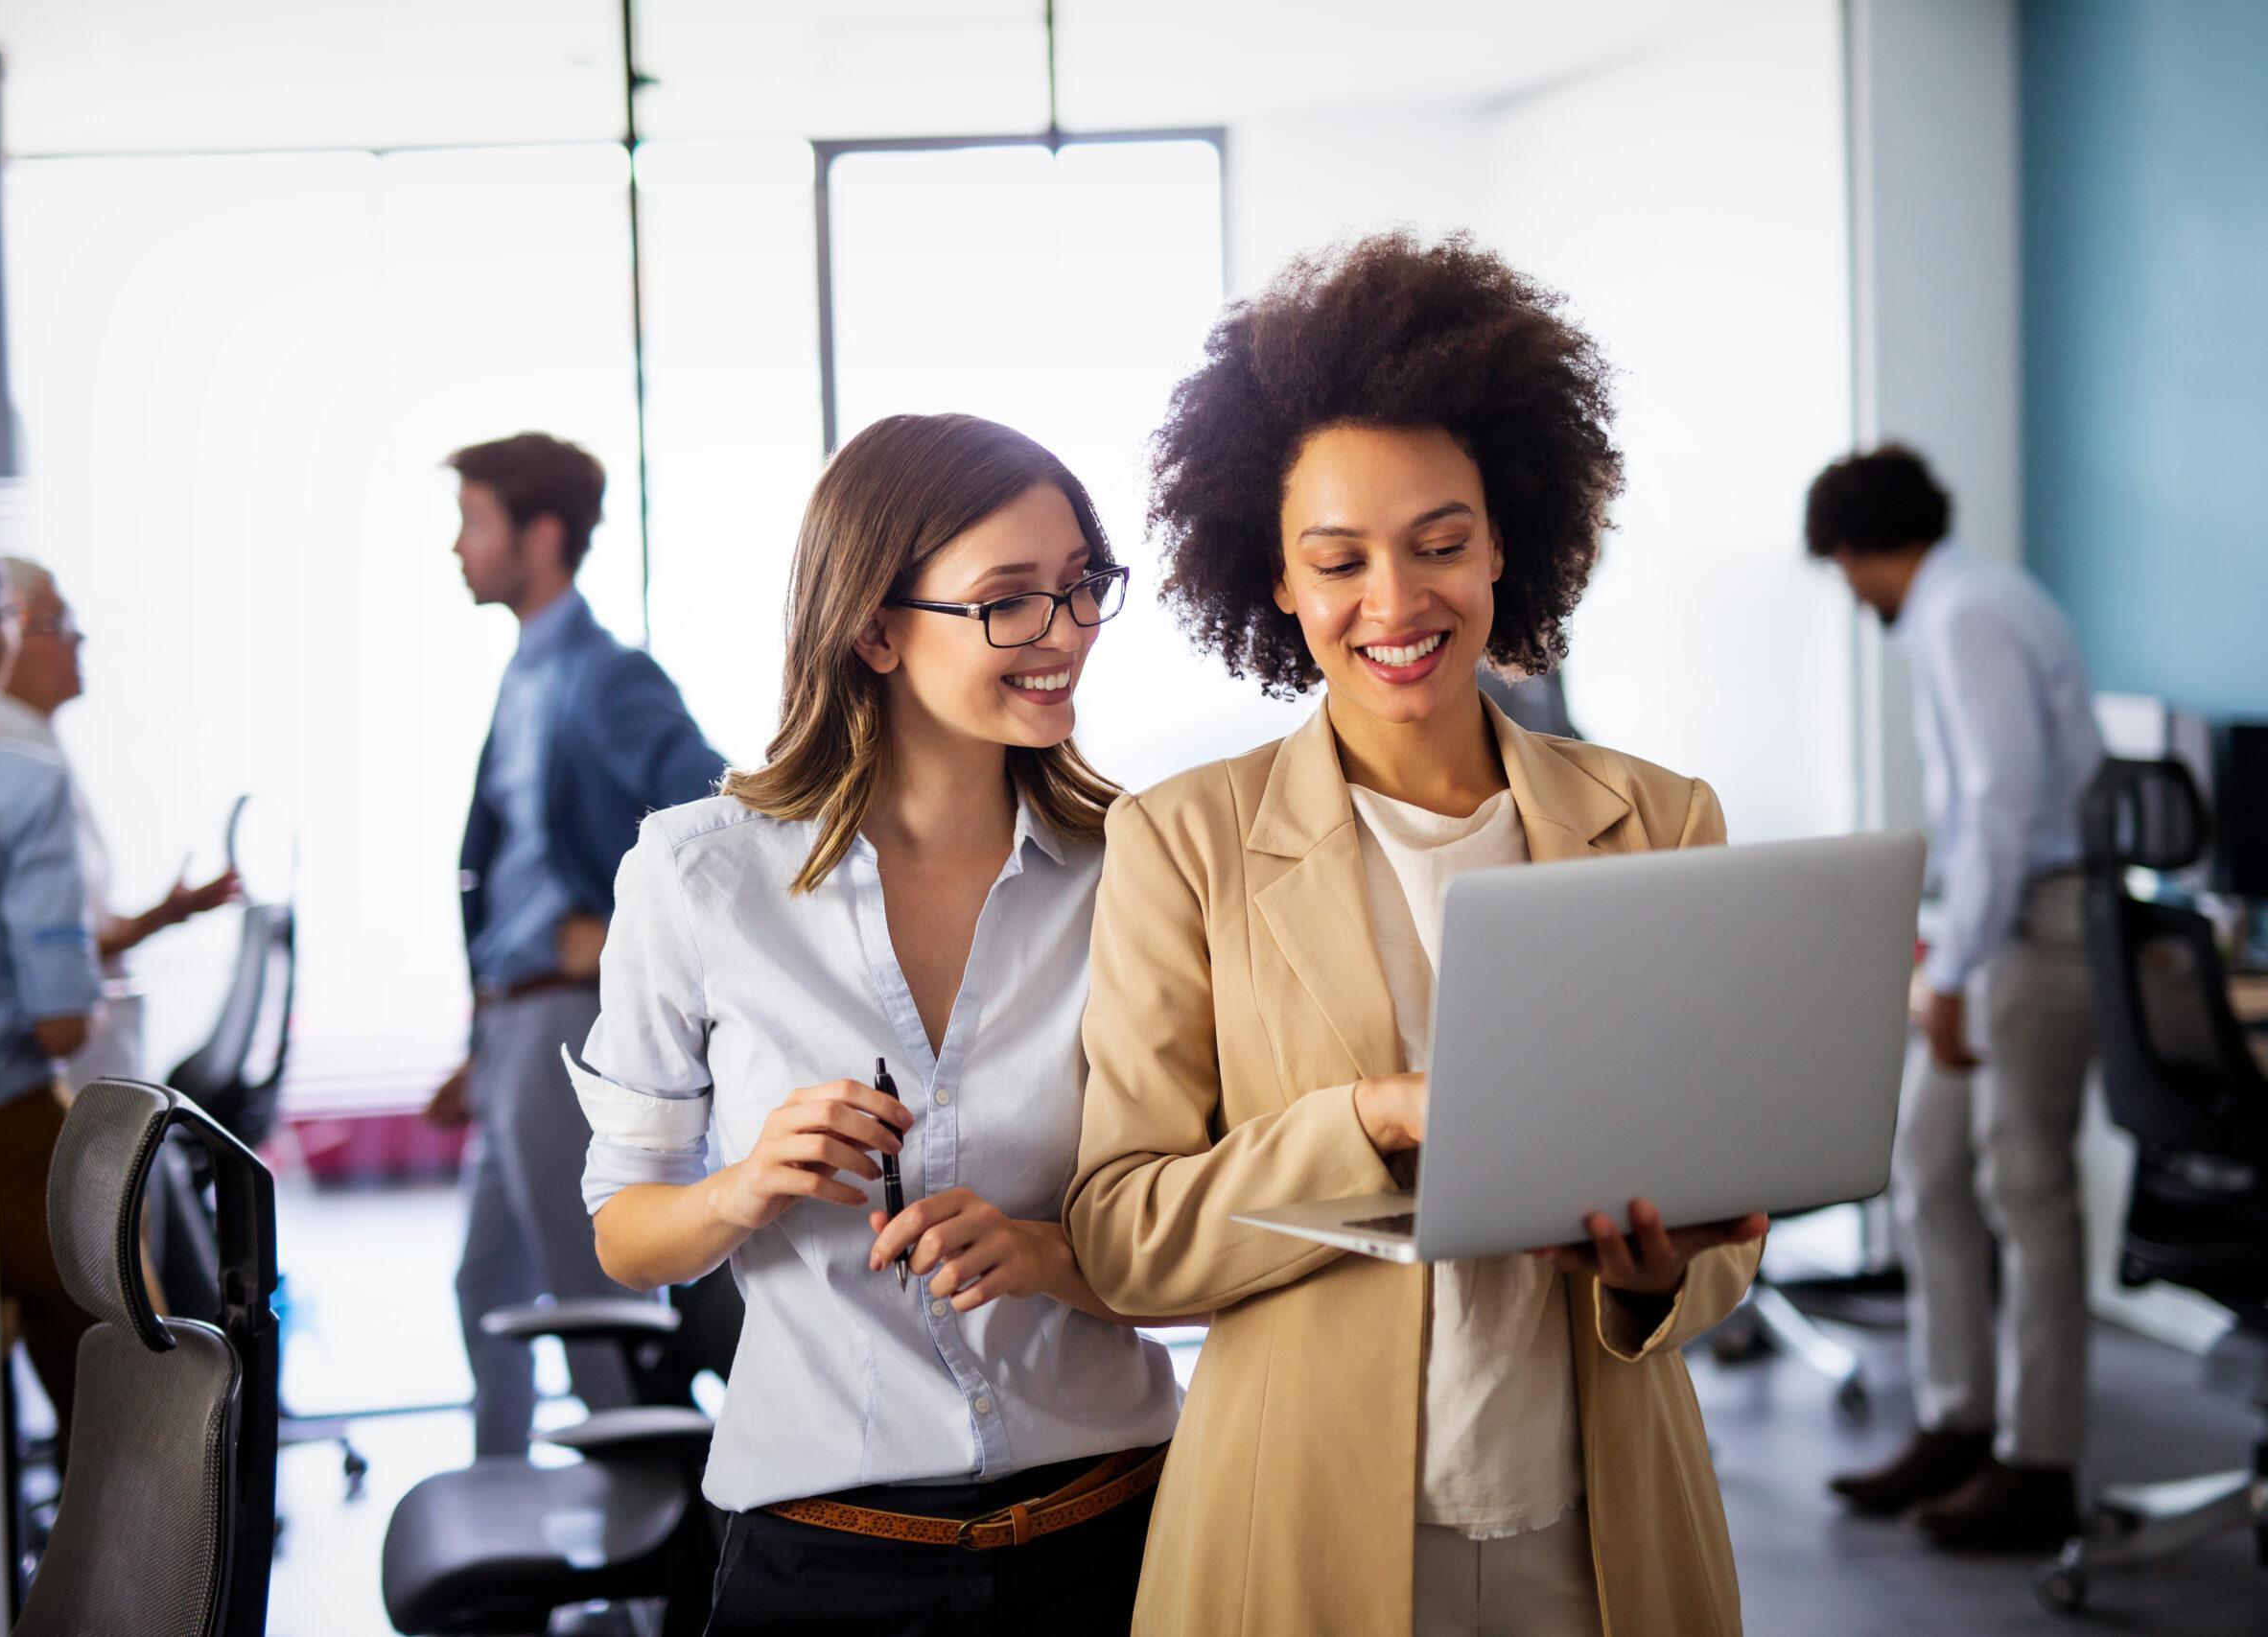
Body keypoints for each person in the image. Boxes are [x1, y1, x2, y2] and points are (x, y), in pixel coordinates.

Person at [1064, 232, 1767, 1637]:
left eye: (1441, 543)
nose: (1396, 603)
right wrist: (1371, 1119)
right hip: (1301, 1534)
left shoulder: (1663, 816)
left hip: (1602, 1525)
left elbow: (1726, 1207)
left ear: (1507, 537)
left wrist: (1662, 1268)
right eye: (1340, 560)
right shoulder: (1184, 842)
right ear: (1273, 577)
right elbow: (1124, 1235)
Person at [570, 413, 1182, 1635]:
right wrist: (743, 1189)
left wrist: (1046, 1252)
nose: (1062, 635)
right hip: (826, 1569)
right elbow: (627, 1236)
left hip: (1122, 1539)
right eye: (1010, 601)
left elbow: (1209, 1230)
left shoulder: (1137, 871)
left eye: (1079, 588)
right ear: (874, 628)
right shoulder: (696, 879)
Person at [1810, 445, 2105, 1551]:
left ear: (1855, 549)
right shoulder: (1967, 603)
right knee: (1926, 1165)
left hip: (2037, 926)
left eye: (1841, 570)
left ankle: (2039, 1462)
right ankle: (1956, 1419)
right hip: (2000, 920)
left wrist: (1949, 972)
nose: (1847, 593)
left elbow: (2000, 811)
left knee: (2025, 1190)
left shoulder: (1964, 613)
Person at [428, 432, 725, 1461]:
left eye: (474, 522)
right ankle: (503, 1510)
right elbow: (510, 874)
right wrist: (479, 1043)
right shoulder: (526, 675)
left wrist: (624, 933)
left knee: (591, 1290)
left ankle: (649, 1574)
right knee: (486, 1283)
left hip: (563, 1017)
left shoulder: (601, 676)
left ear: (539, 536)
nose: (458, 547)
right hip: (513, 1024)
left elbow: (715, 812)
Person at [0, 556, 240, 1088]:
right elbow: (39, 956)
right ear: (3, 633)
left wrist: (164, 915)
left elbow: (76, 926)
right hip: (58, 1075)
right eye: (59, 624)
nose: (80, 641)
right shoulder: (8, 767)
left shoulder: (38, 749)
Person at [0, 530, 103, 1449]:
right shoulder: (18, 783)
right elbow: (60, 1024)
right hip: (11, 1125)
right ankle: (157, 1585)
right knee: (143, 1384)